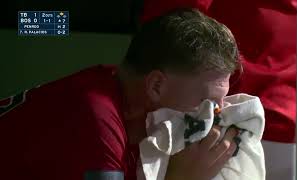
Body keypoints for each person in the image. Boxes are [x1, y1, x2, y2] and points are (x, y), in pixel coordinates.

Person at [0, 8, 241, 180]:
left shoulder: (137, 115)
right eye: (207, 102)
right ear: (156, 86)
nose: (217, 115)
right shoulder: (94, 118)